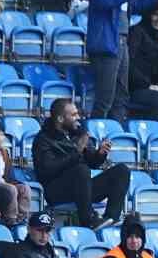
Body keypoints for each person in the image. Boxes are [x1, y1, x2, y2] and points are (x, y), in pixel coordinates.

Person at [34, 97, 129, 228]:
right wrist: (77, 152)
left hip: (82, 189)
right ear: (60, 119)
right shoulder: (43, 139)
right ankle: (89, 220)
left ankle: (111, 218)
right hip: (56, 191)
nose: (78, 117)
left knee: (122, 170)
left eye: (77, 113)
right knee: (81, 169)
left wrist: (100, 154)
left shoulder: (75, 134)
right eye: (73, 115)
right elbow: (47, 170)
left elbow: (92, 163)